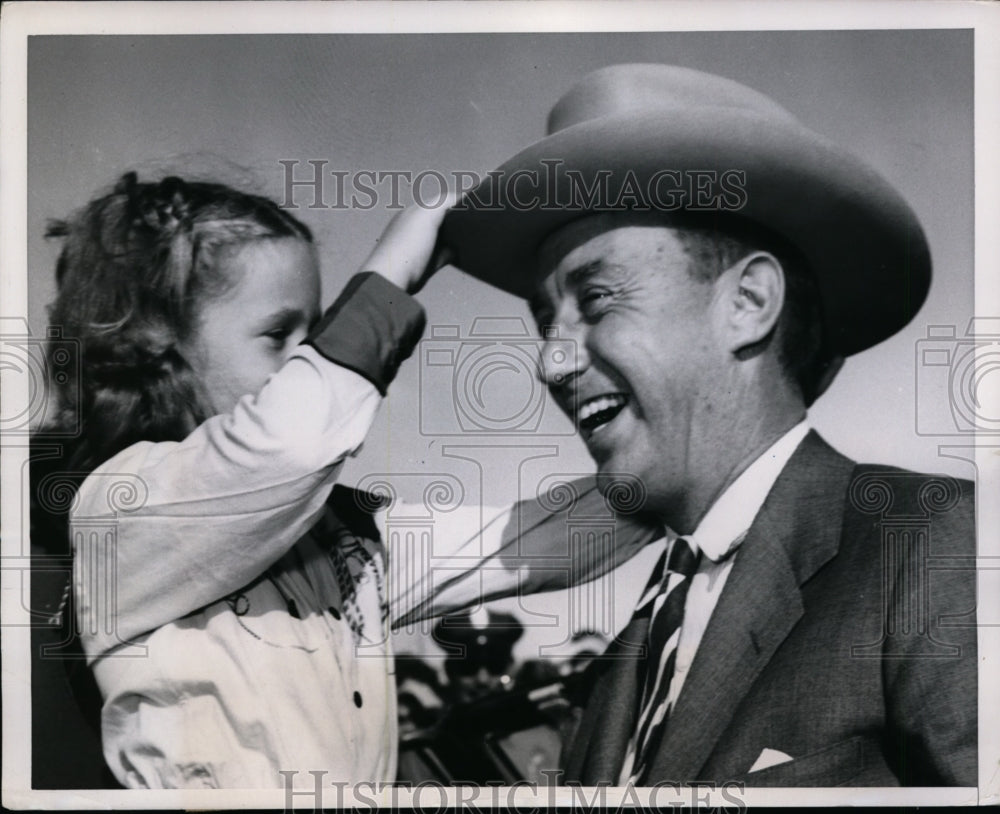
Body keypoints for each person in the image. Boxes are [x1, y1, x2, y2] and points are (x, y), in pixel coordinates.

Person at [441, 64, 977, 787]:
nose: (550, 363)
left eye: (597, 299)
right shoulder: (631, 651)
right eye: (544, 321)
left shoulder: (937, 548)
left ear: (749, 303)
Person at [32, 171, 658, 789]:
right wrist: (390, 278)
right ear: (154, 346)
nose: (310, 357)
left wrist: (686, 456)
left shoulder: (341, 541)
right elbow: (289, 442)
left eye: (319, 331)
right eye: (281, 336)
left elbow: (531, 543)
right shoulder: (121, 512)